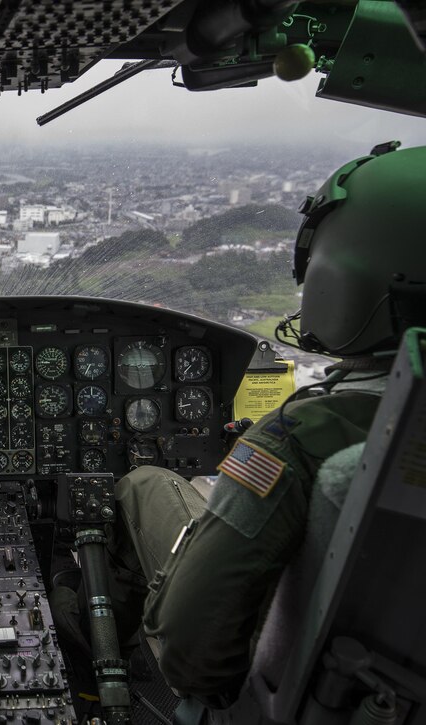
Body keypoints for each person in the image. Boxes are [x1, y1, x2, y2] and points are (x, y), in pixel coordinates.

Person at [52, 142, 426, 706]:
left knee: (145, 482)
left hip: (270, 693)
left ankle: (97, 652)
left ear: (338, 279)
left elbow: (190, 654)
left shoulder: (301, 436)